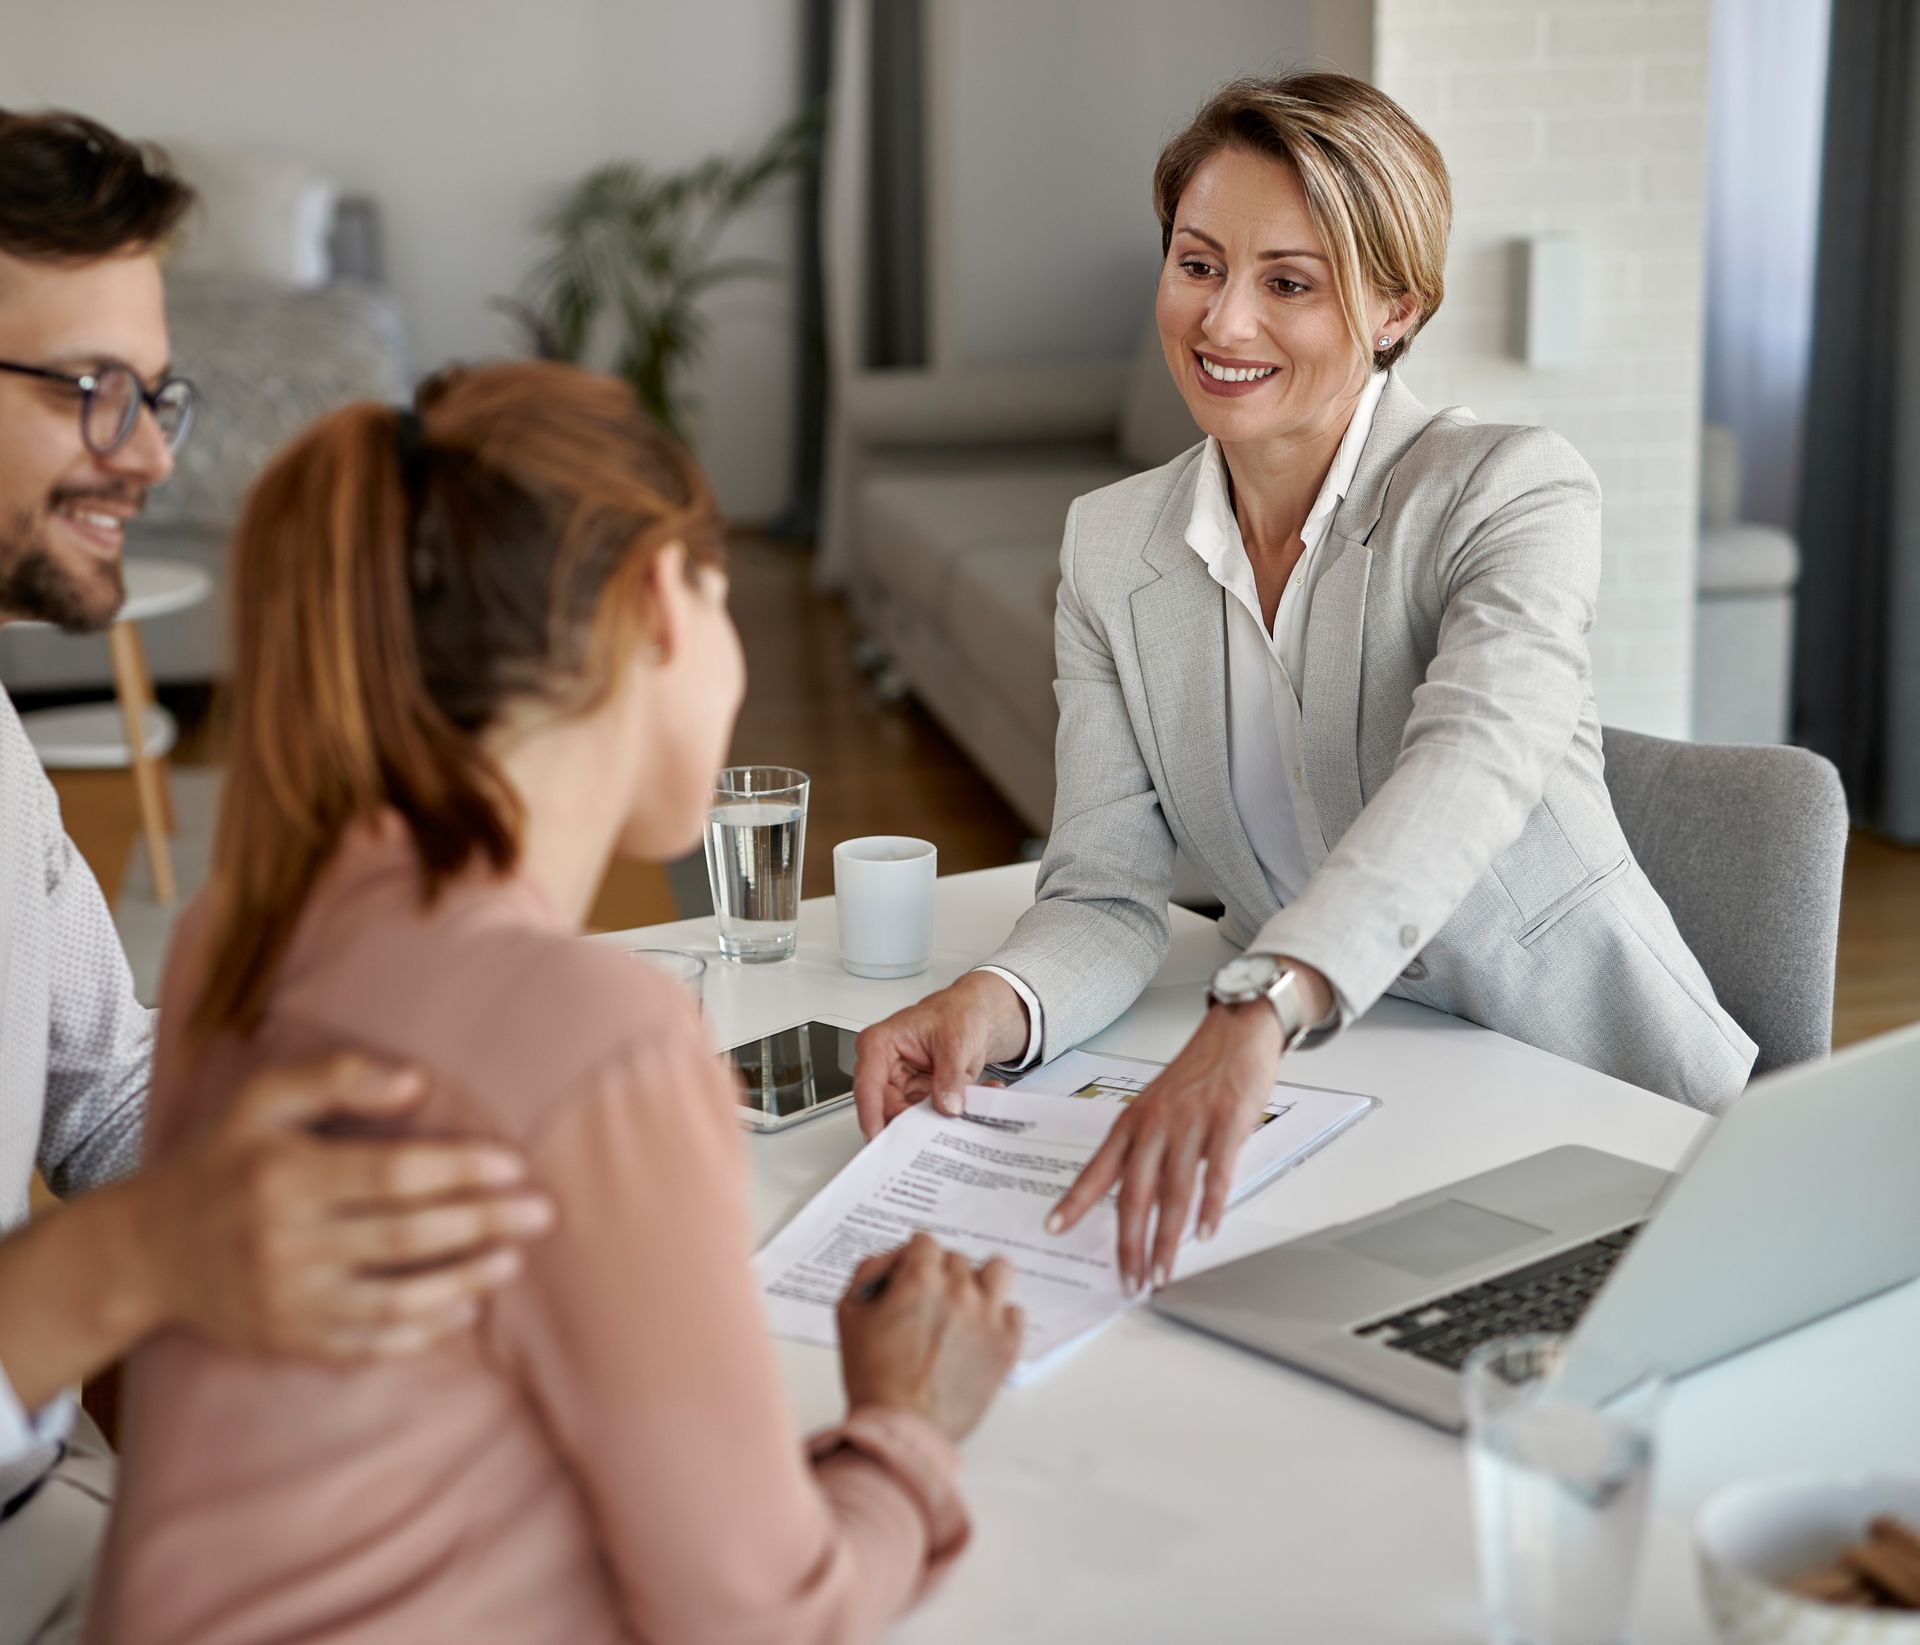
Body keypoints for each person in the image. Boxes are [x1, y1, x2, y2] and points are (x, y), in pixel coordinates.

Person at [87, 360, 1021, 1643]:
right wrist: (905, 1427)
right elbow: (766, 1622)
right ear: (657, 605)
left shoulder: (231, 934)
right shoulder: (593, 1030)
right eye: (725, 594)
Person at [854, 71, 1757, 1295]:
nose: (1223, 325)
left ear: (1395, 306)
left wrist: (1259, 1005)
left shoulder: (1508, 490)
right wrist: (996, 1001)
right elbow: (1109, 889)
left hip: (1595, 1112)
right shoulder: (1109, 548)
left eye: (1290, 282)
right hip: (1345, 1106)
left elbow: (1473, 759)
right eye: (1197, 264)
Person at [0, 110, 555, 1645]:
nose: (157, 453)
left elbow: (103, 1089)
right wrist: (142, 1257)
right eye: (92, 390)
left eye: (154, 388)